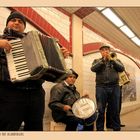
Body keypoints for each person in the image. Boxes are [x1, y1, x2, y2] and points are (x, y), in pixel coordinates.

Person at [0, 11, 69, 131]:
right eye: (13, 20)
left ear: (24, 27)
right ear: (7, 24)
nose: (17, 22)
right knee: (8, 129)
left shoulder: (35, 41)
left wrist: (59, 55)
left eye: (20, 21)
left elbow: (48, 66)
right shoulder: (1, 40)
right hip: (10, 93)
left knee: (35, 129)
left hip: (36, 94)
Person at [91, 46, 125, 131]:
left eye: (107, 50)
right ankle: (100, 129)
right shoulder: (96, 61)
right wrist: (103, 61)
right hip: (101, 87)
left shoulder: (116, 60)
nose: (105, 51)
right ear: (100, 52)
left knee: (115, 109)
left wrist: (113, 60)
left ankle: (116, 128)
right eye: (103, 50)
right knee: (100, 109)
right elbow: (93, 68)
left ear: (109, 51)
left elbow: (122, 68)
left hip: (114, 87)